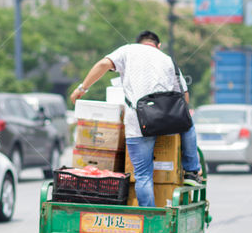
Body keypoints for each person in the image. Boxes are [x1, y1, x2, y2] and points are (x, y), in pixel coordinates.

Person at [70, 30, 203, 207]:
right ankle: (192, 171)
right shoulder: (167, 59)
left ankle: (150, 217)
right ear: (158, 45)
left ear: (138, 42)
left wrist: (82, 89)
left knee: (142, 176)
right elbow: (184, 97)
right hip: (167, 121)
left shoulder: (127, 51)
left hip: (139, 124)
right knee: (187, 123)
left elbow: (103, 64)